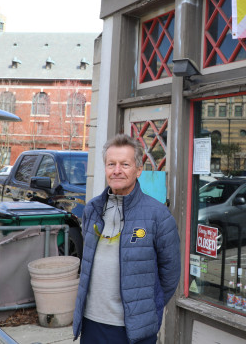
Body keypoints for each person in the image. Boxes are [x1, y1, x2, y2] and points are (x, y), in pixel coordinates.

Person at [73, 134, 180, 343]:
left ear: (138, 170)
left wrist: (147, 309)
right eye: (111, 164)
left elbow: (170, 273)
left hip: (133, 330)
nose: (116, 170)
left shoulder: (158, 215)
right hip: (91, 323)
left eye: (125, 164)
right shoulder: (92, 210)